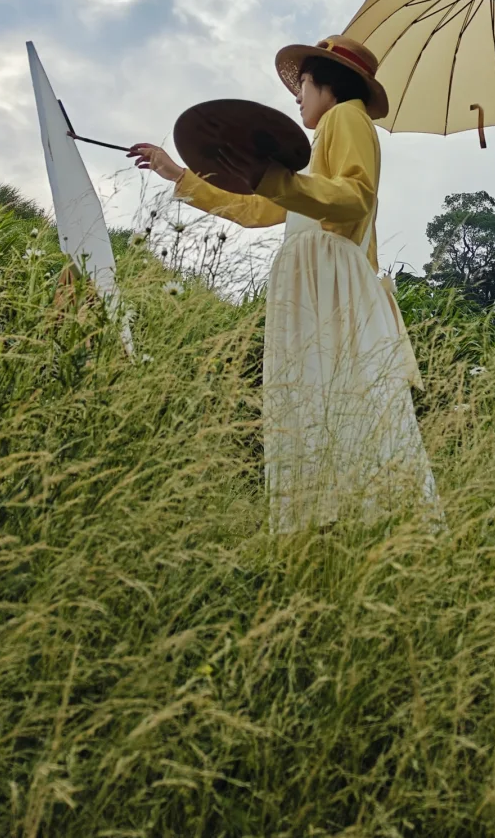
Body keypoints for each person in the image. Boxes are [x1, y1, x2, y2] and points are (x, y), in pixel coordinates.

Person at [130, 35, 440, 534]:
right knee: (325, 397)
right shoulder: (321, 148)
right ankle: (347, 523)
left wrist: (276, 178)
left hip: (330, 278)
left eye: (304, 84)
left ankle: (348, 521)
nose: (297, 94)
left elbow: (356, 196)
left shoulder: (347, 116)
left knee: (330, 392)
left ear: (328, 84)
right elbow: (258, 208)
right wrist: (180, 176)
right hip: (316, 277)